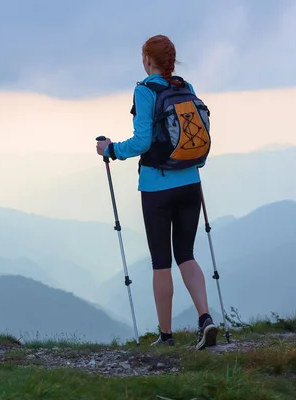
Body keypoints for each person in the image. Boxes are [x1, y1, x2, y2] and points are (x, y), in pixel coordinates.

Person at [96, 34, 218, 350]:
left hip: (157, 187)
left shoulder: (145, 90)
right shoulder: (185, 88)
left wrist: (110, 150)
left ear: (148, 60)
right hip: (191, 182)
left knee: (161, 262)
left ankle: (165, 337)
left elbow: (142, 142)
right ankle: (205, 318)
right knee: (187, 255)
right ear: (172, 61)